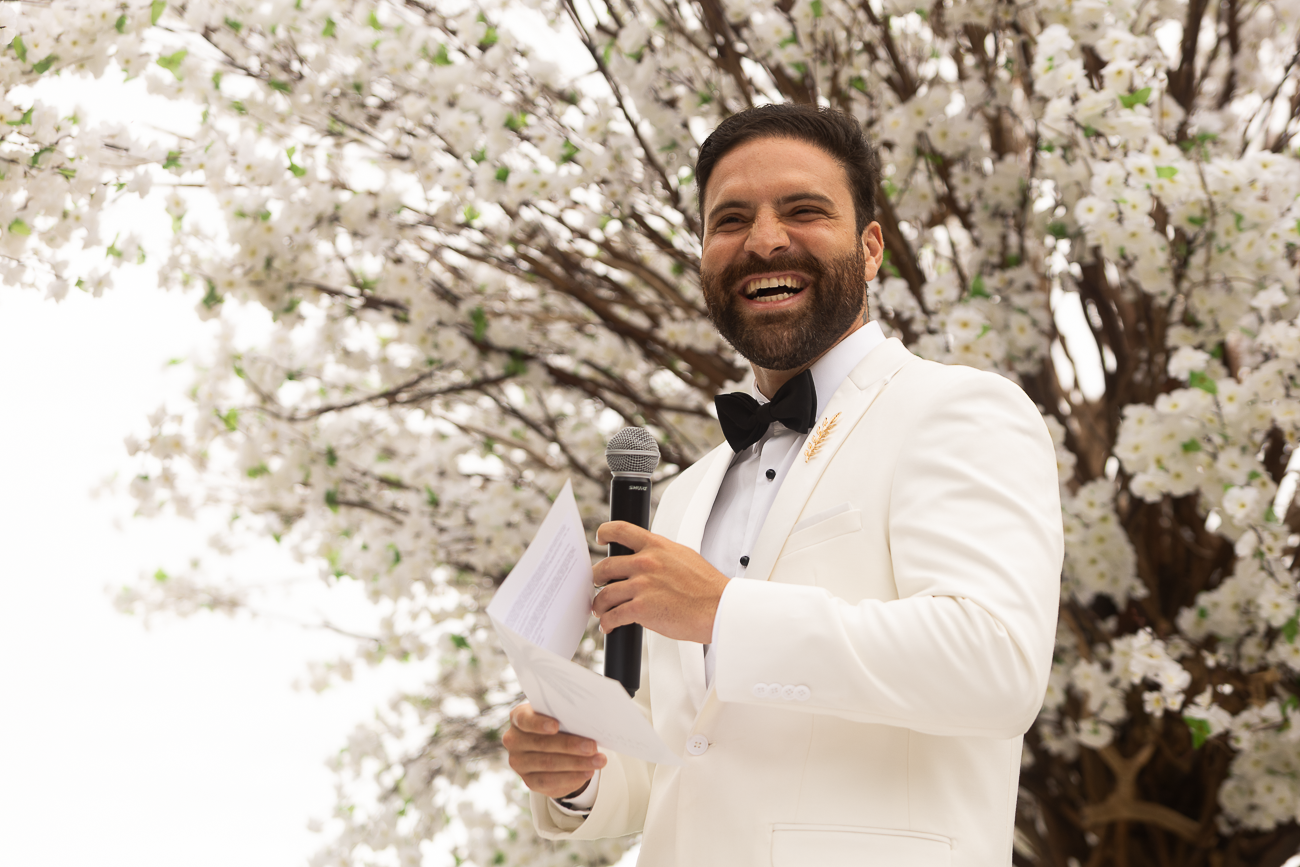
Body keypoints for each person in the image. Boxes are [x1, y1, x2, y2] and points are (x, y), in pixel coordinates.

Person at [501, 103, 1063, 867]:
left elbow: (993, 665)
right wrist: (576, 770)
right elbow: (686, 749)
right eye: (730, 219)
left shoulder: (958, 408)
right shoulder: (690, 490)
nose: (764, 240)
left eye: (803, 210)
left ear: (871, 248)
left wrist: (722, 610)